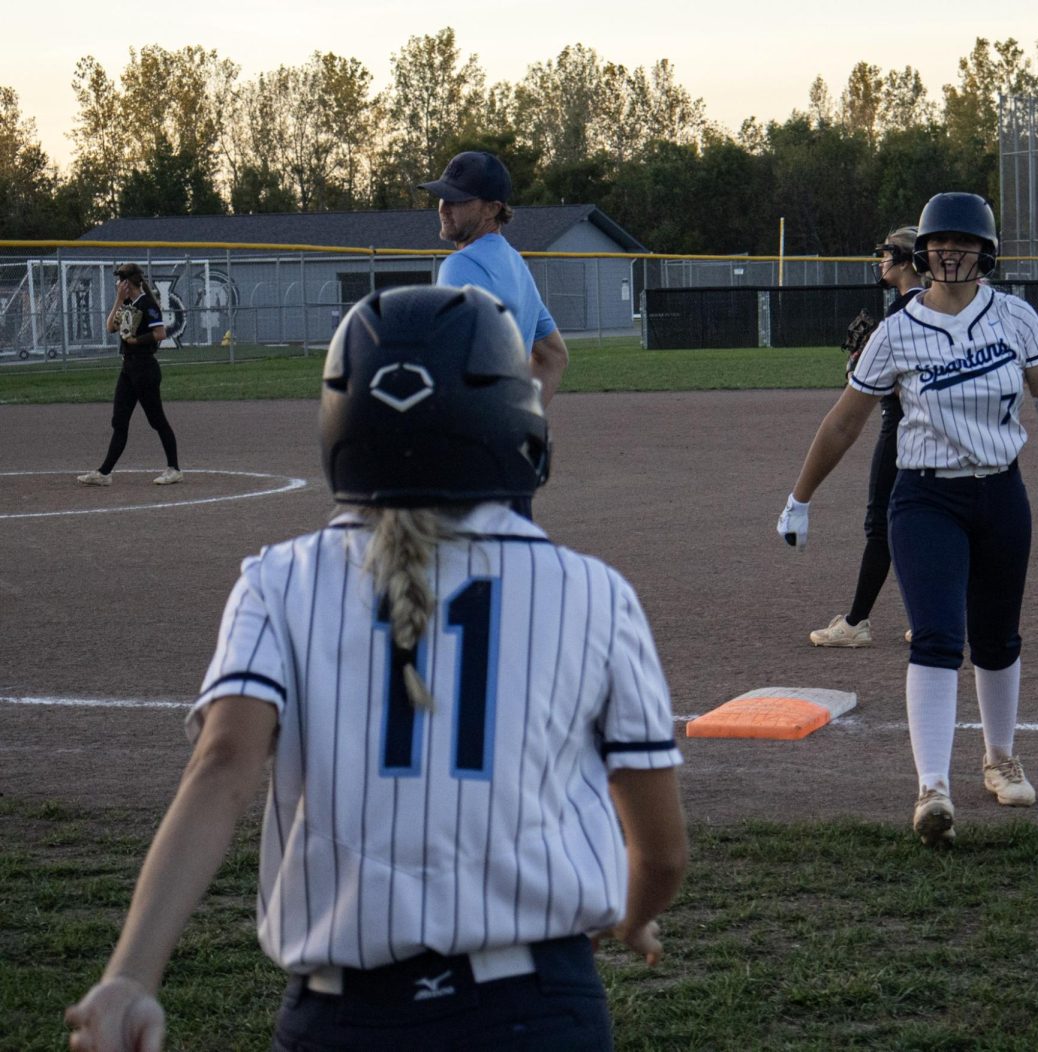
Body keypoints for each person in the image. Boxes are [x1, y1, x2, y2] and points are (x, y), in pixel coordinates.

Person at [64, 285, 688, 1051]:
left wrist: (129, 975)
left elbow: (221, 769)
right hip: (534, 1007)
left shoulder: (279, 579)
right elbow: (660, 853)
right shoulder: (594, 591)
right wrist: (626, 913)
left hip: (341, 1017)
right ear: (511, 420)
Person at [777, 192, 1038, 847]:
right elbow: (845, 420)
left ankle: (999, 757)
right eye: (941, 242)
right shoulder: (898, 329)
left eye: (964, 242)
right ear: (923, 251)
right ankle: (933, 789)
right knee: (935, 636)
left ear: (985, 251)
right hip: (925, 498)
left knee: (996, 637)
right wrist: (800, 497)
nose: (951, 253)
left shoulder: (1015, 318)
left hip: (1000, 495)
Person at [809, 226, 924, 648]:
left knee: (882, 525)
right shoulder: (931, 306)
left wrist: (860, 371)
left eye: (887, 253)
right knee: (911, 526)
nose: (881, 260)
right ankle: (926, 617)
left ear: (907, 260)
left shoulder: (902, 313)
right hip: (925, 430)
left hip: (899, 428)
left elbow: (895, 386)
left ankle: (856, 622)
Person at [419, 151, 569, 405]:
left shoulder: (460, 265)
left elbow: (446, 366)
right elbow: (554, 356)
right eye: (443, 196)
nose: (444, 207)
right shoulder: (516, 265)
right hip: (501, 438)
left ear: (492, 209)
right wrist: (522, 419)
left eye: (457, 199)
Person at [77, 263, 183, 487]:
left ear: (127, 282)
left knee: (157, 420)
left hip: (145, 369)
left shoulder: (147, 304)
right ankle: (104, 473)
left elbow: (160, 333)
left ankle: (174, 469)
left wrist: (137, 340)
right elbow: (110, 328)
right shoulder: (126, 304)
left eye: (120, 280)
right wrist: (118, 300)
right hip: (128, 369)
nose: (117, 284)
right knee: (119, 421)